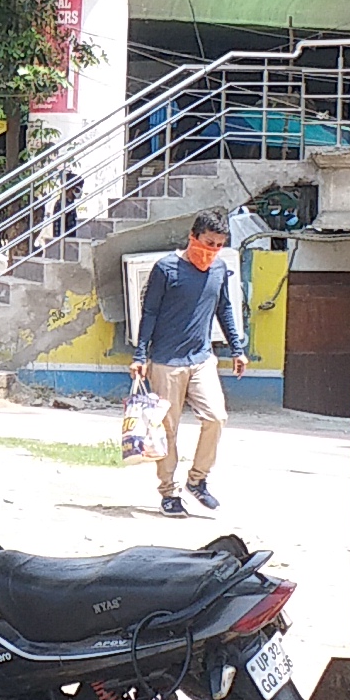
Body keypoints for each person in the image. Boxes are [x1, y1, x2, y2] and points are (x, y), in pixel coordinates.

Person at [129, 211, 247, 517]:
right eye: (208, 242)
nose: (213, 250)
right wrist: (140, 355)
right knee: (167, 430)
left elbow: (225, 309)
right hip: (167, 361)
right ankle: (169, 492)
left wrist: (238, 349)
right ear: (192, 237)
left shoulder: (219, 270)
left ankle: (198, 479)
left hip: (202, 359)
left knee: (216, 417)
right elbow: (150, 313)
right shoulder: (166, 268)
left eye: (219, 245)